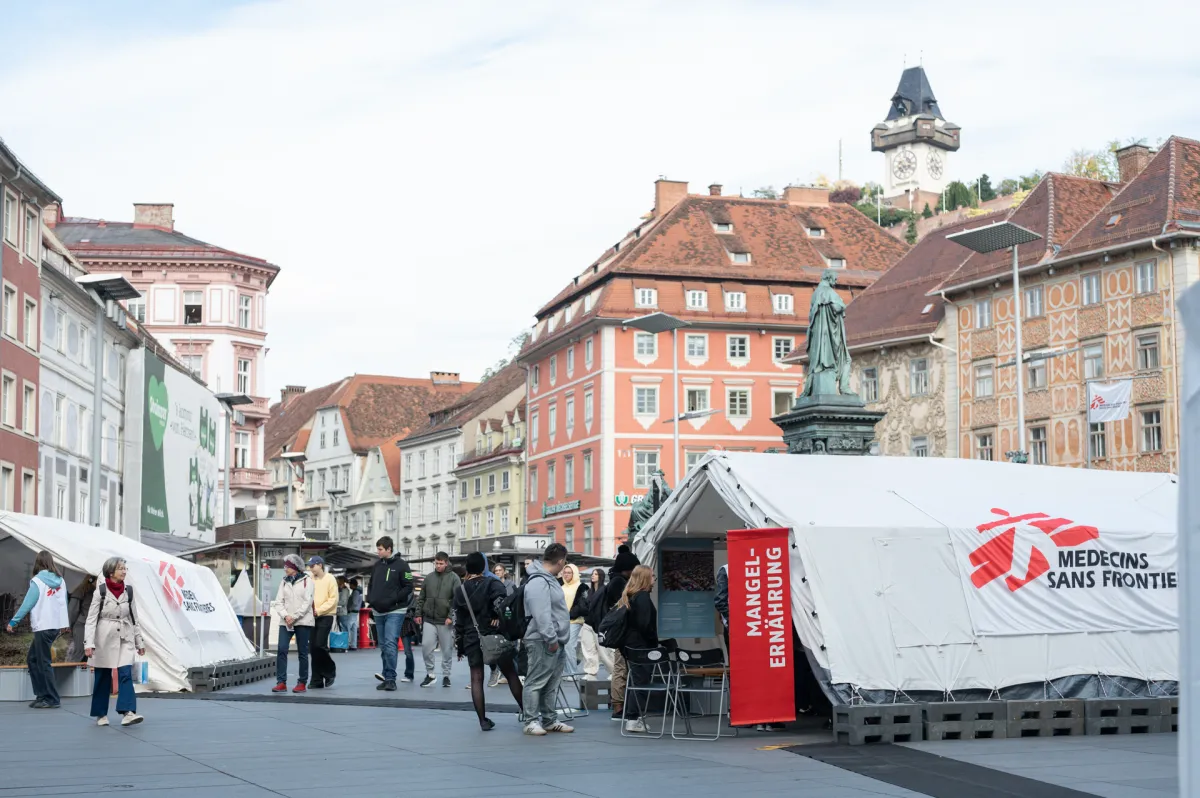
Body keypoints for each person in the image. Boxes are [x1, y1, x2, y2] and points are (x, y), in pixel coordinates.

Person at [454, 552, 525, 730]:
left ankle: (483, 721)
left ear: (468, 568)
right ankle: (527, 710)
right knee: (510, 673)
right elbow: (503, 604)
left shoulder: (460, 590)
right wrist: (496, 616)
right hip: (493, 635)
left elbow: (459, 621)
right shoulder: (493, 583)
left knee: (476, 678)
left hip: (471, 637)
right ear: (484, 566)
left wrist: (460, 646)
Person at [85, 557, 145, 726]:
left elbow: (134, 618)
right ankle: (100, 714)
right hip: (104, 637)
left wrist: (139, 642)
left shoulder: (129, 591)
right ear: (111, 572)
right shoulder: (100, 591)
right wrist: (88, 643)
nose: (124, 571)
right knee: (103, 676)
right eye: (121, 568)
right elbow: (91, 619)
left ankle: (128, 712)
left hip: (125, 636)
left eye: (125, 568)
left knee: (125, 672)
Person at [4, 550, 67, 709]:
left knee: (43, 662)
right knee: (33, 659)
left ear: (38, 563)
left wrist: (14, 621)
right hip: (54, 626)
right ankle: (42, 695)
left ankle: (51, 698)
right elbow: (63, 603)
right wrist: (64, 624)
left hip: (43, 626)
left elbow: (27, 603)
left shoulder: (37, 581)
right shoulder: (61, 581)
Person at [522, 542, 573, 736]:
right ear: (561, 561)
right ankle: (530, 721)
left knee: (552, 683)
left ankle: (549, 719)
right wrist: (551, 639)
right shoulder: (539, 581)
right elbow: (541, 614)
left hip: (554, 639)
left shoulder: (547, 579)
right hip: (542, 640)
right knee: (535, 681)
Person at [366, 536, 414, 691]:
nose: (378, 552)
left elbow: (408, 586)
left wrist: (393, 599)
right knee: (383, 645)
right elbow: (371, 584)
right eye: (378, 549)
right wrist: (371, 599)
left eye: (380, 549)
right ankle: (386, 676)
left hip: (395, 610)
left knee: (390, 642)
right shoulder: (377, 565)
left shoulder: (402, 565)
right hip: (378, 611)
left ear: (389, 549)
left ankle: (391, 679)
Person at [618, 564, 659, 734]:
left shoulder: (630, 596)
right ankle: (633, 719)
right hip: (641, 647)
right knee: (640, 682)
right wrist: (654, 642)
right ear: (645, 578)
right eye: (652, 575)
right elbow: (645, 625)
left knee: (635, 681)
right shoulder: (642, 597)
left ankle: (633, 717)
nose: (654, 579)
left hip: (630, 645)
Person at [416, 552, 461, 688]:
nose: (438, 566)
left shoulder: (454, 578)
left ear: (446, 563)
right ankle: (430, 674)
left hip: (445, 620)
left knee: (447, 649)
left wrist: (450, 616)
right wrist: (418, 613)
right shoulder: (429, 578)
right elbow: (421, 597)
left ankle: (446, 675)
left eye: (441, 563)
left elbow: (457, 599)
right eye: (436, 563)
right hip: (429, 619)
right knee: (426, 646)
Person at [271, 554, 315, 693]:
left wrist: (294, 617)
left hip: (303, 621)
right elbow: (278, 602)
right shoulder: (284, 581)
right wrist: (286, 616)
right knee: (282, 649)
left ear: (295, 567)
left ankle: (302, 682)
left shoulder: (308, 581)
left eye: (287, 566)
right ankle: (281, 682)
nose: (285, 568)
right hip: (286, 622)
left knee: (302, 652)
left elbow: (307, 603)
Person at [604, 547, 639, 719]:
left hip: (620, 633)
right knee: (620, 668)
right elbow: (623, 608)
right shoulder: (619, 583)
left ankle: (619, 704)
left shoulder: (615, 580)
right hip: (621, 634)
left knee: (620, 668)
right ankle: (618, 705)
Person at [307, 556, 338, 688]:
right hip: (311, 616)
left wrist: (318, 610)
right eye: (309, 566)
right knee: (313, 648)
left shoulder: (330, 578)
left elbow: (333, 600)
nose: (311, 568)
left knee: (320, 644)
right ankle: (316, 679)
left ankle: (330, 670)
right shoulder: (309, 579)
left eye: (313, 566)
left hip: (326, 615)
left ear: (320, 565)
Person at [579, 569, 610, 680]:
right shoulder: (590, 592)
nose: (593, 576)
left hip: (599, 624)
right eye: (592, 574)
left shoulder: (604, 590)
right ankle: (591, 672)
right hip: (588, 623)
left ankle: (613, 671)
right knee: (588, 648)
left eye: (596, 574)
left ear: (601, 576)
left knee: (604, 651)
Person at [560, 564, 590, 677]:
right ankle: (566, 671)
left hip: (575, 620)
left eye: (569, 572)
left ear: (574, 573)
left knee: (569, 646)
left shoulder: (581, 587)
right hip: (562, 621)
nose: (566, 575)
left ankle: (572, 673)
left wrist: (571, 614)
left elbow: (583, 605)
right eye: (565, 572)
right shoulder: (561, 586)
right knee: (563, 647)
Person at [66, 574, 97, 663]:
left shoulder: (84, 591)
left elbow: (72, 610)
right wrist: (69, 625)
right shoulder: (82, 591)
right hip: (82, 627)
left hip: (85, 626)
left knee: (82, 655)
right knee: (80, 654)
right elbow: (72, 611)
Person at [345, 578, 363, 650]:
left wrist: (349, 608)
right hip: (356, 611)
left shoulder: (355, 592)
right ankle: (354, 645)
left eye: (350, 584)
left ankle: (348, 644)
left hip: (352, 611)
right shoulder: (359, 591)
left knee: (348, 627)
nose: (349, 586)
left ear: (353, 584)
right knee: (354, 628)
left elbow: (354, 602)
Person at [336, 575, 350, 650]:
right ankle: (343, 644)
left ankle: (345, 645)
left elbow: (343, 602)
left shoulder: (344, 590)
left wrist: (334, 602)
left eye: (337, 580)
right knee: (341, 629)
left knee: (344, 629)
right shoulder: (340, 589)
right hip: (339, 612)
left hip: (342, 612)